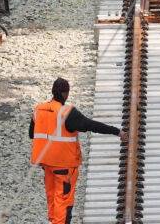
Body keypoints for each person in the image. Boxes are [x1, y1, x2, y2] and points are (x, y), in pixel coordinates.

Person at [29, 78, 125, 224]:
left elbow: (32, 134)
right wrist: (117, 132)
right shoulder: (67, 112)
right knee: (63, 201)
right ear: (65, 93)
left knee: (52, 197)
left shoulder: (38, 109)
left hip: (46, 164)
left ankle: (53, 221)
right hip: (64, 167)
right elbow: (91, 125)